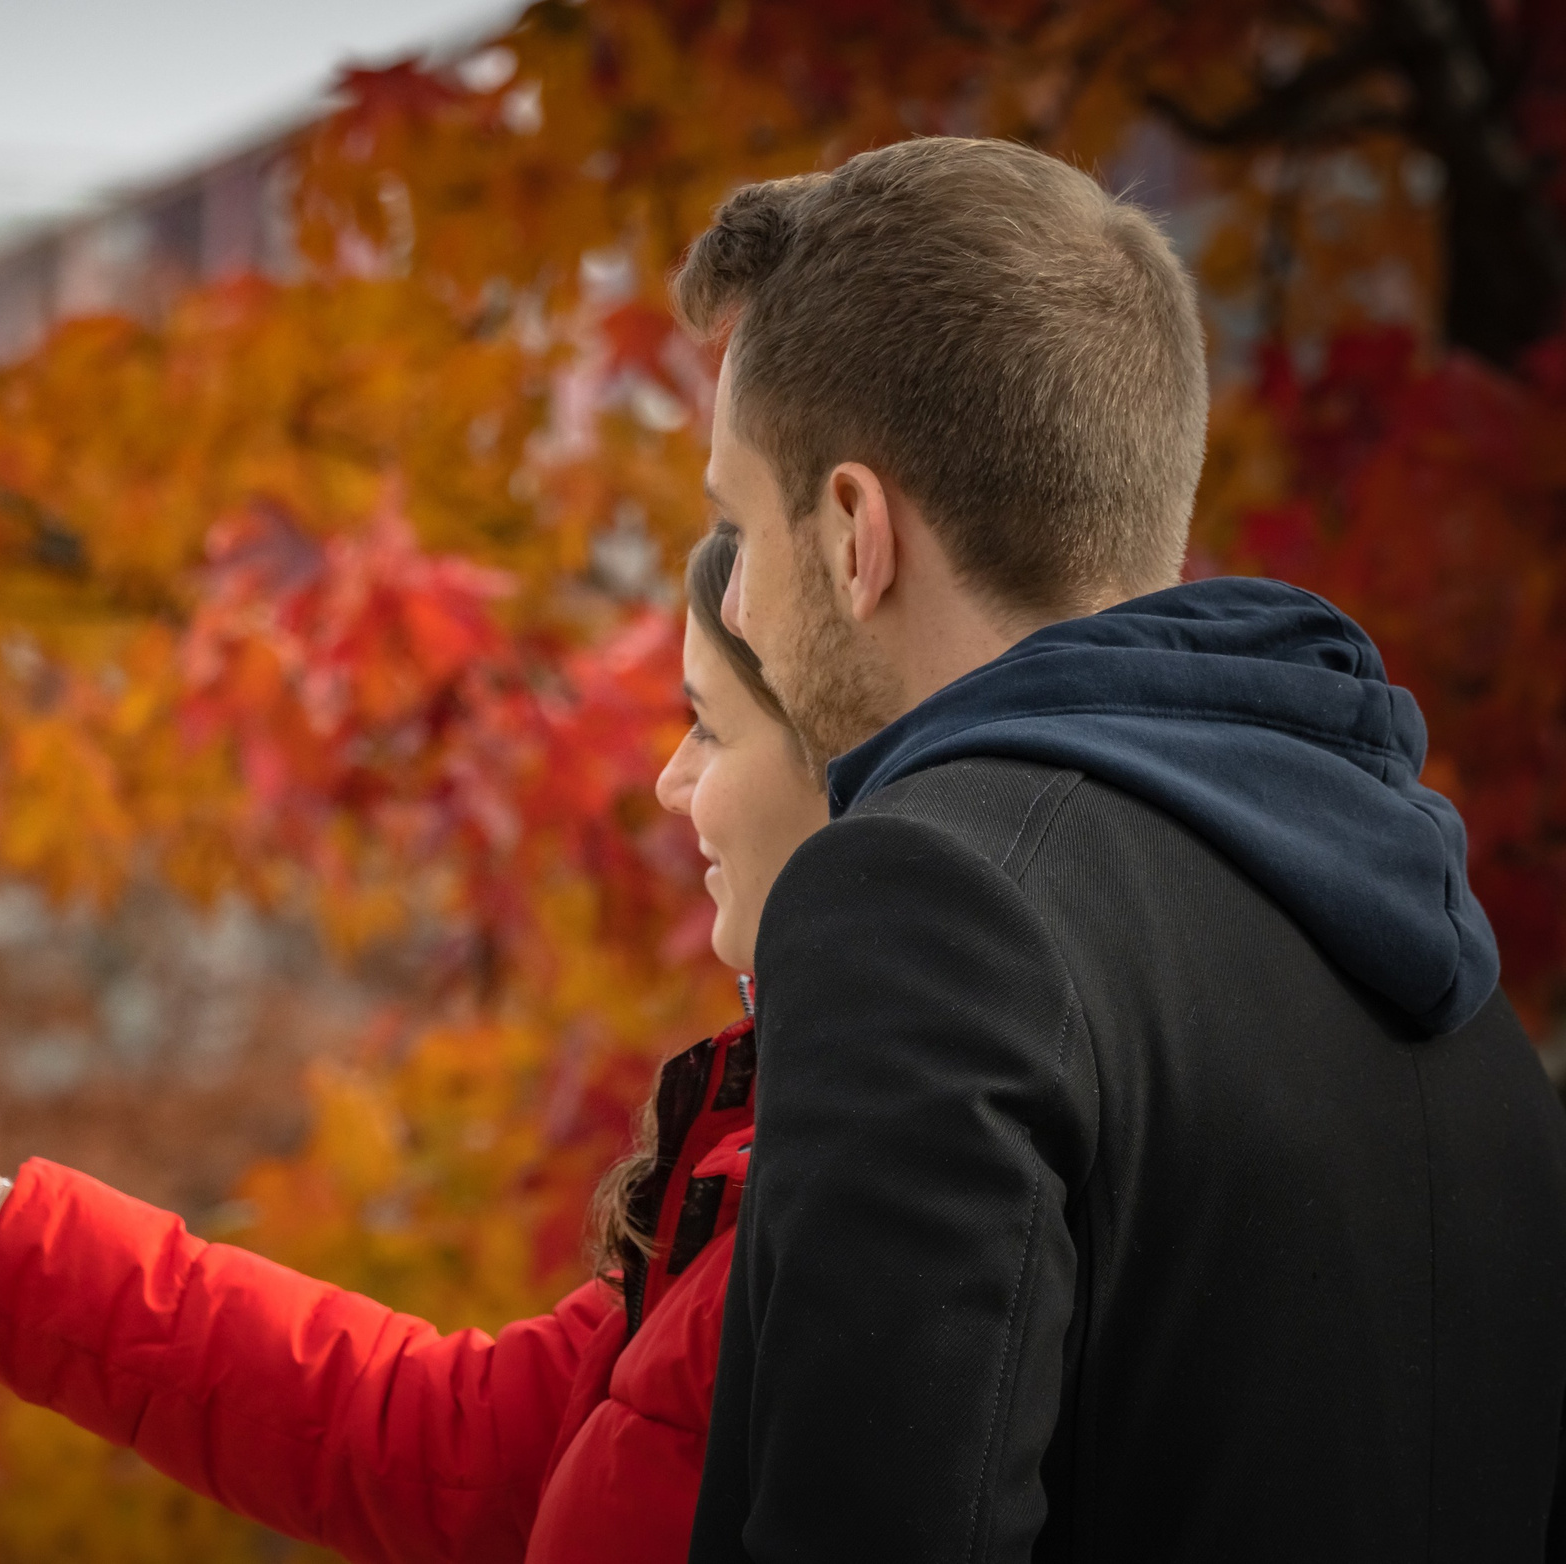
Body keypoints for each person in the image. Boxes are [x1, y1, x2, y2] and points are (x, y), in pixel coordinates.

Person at [661, 138, 1566, 1561]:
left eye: (736, 525)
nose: (745, 607)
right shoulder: (1450, 983)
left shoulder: (925, 904)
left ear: (851, 533)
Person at [0, 526, 827, 1564]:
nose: (669, 778)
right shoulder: (765, 1148)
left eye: (710, 725)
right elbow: (450, 1444)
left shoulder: (862, 1177)